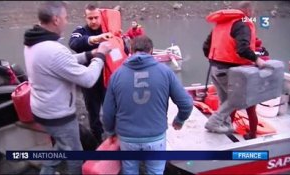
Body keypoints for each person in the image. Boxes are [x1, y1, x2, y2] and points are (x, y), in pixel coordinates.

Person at [23, 1, 111, 174]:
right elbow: (88, 79)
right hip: (58, 115)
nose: (66, 21)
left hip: (41, 109)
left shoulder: (33, 41)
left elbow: (60, 62)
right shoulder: (54, 49)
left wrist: (89, 54)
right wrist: (100, 54)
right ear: (56, 20)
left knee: (63, 147)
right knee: (75, 155)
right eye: (65, 17)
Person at [101, 35, 193, 174]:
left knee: (130, 170)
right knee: (155, 171)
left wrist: (110, 131)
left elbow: (107, 113)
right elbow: (186, 104)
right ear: (152, 50)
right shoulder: (165, 72)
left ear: (130, 50)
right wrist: (179, 120)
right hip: (155, 137)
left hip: (127, 138)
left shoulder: (117, 75)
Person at [202, 1, 265, 139]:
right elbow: (242, 49)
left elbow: (206, 46)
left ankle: (226, 126)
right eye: (252, 11)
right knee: (237, 99)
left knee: (225, 99)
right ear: (247, 10)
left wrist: (214, 59)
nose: (253, 14)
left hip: (215, 68)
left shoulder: (221, 24)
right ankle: (213, 123)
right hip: (229, 70)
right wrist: (258, 60)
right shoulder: (242, 24)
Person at [69, 4, 113, 144]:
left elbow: (122, 48)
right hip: (89, 80)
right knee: (93, 111)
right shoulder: (80, 31)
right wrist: (97, 39)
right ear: (86, 17)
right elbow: (74, 43)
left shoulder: (109, 30)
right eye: (90, 18)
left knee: (111, 109)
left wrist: (121, 40)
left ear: (101, 16)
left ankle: (113, 135)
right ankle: (97, 137)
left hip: (108, 79)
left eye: (96, 17)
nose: (93, 21)